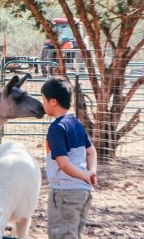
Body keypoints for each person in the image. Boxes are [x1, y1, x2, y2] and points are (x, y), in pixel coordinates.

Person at [42, 77, 98, 239]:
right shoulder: (76, 124)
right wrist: (90, 173)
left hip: (64, 193)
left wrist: (86, 175)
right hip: (83, 193)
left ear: (53, 101)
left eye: (43, 99)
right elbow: (91, 152)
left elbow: (63, 163)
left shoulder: (56, 128)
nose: (43, 104)